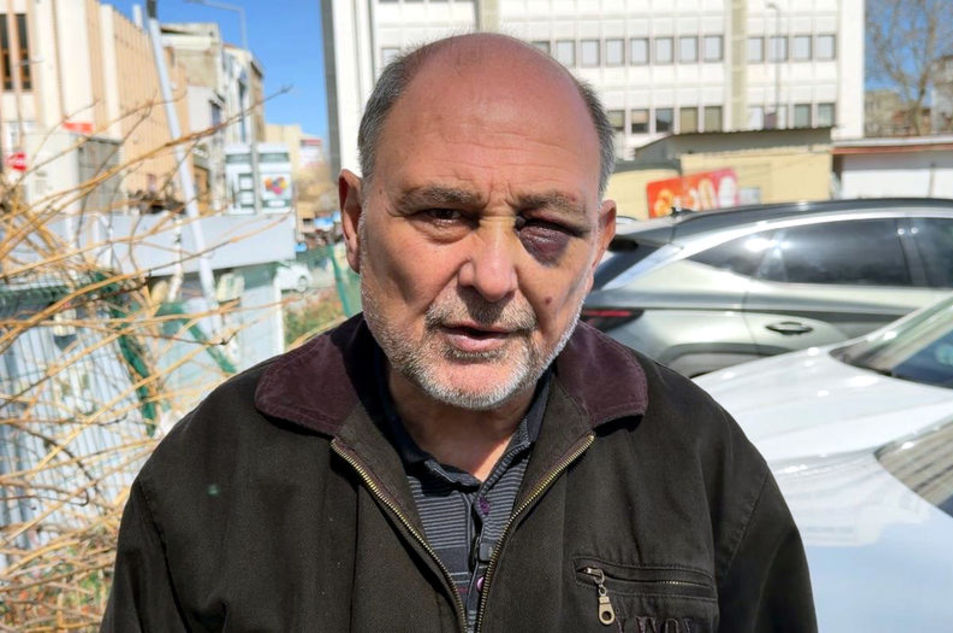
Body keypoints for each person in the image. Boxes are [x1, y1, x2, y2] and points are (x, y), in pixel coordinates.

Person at [102, 33, 816, 632]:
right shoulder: (210, 471)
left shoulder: (698, 460)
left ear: (597, 245)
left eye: (544, 225)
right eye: (443, 213)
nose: (493, 278)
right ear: (354, 221)